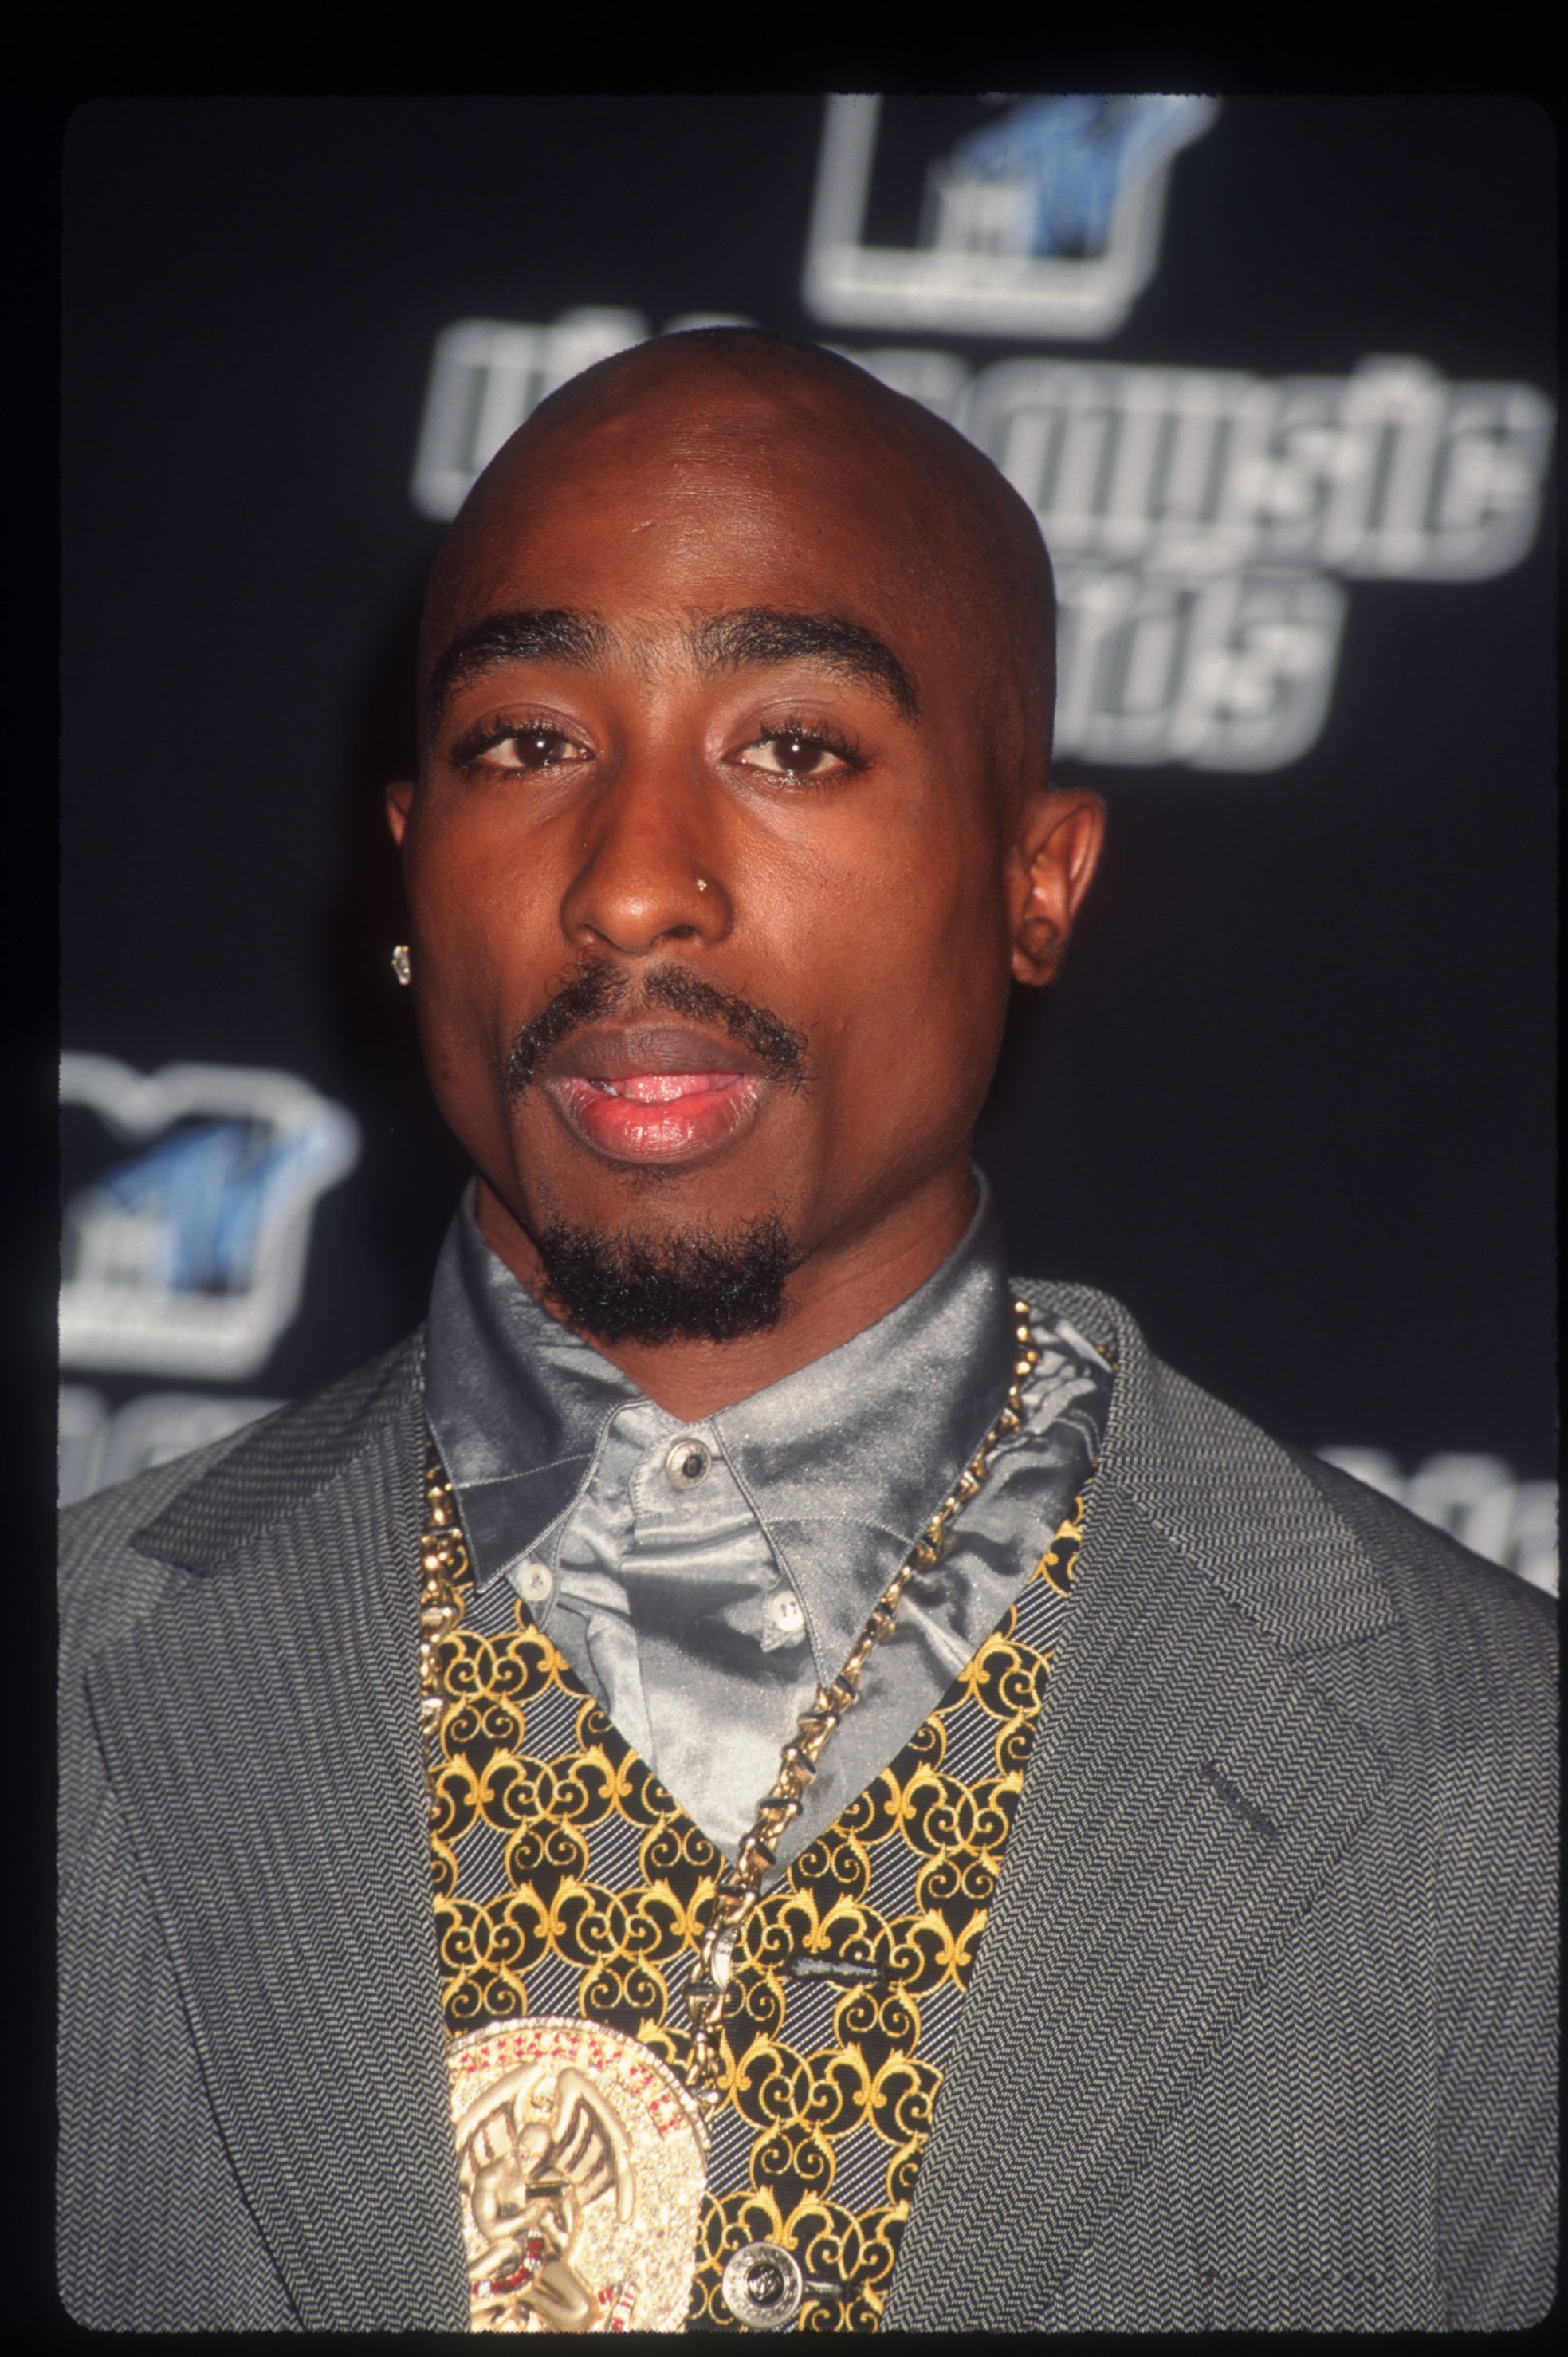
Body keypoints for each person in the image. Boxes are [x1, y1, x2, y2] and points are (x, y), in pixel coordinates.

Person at [57, 329, 1555, 2334]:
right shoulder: (64, 1675)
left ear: (1040, 880)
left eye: (796, 744)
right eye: (529, 738)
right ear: (407, 854)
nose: (634, 889)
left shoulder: (1497, 1773)